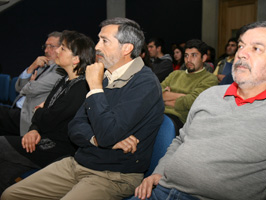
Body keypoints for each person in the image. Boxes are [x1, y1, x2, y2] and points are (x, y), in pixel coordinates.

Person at [130, 21, 266, 200]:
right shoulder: (211, 95)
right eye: (241, 45)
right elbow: (180, 140)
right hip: (162, 190)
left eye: (256, 48)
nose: (241, 53)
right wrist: (159, 171)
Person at [1, 17, 164, 200]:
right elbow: (75, 126)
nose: (97, 46)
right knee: (10, 195)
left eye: (105, 41)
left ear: (126, 48)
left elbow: (108, 133)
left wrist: (95, 89)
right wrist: (95, 138)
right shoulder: (104, 76)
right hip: (78, 163)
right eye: (98, 39)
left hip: (113, 175)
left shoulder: (144, 83)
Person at [0, 30, 94, 194]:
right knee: (5, 171)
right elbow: (43, 114)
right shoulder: (65, 80)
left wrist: (40, 113)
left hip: (58, 149)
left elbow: (50, 117)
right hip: (42, 137)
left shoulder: (80, 87)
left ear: (76, 59)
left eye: (62, 48)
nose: (56, 51)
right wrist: (34, 128)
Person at [0, 32, 63, 136]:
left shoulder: (60, 71)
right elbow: (18, 87)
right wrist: (32, 67)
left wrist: (31, 84)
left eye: (51, 47)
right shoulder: (43, 65)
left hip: (27, 118)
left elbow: (28, 89)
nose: (46, 50)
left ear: (62, 49)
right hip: (17, 110)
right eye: (45, 46)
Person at [161, 39, 218, 134]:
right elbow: (156, 92)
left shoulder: (210, 79)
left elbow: (192, 102)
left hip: (182, 121)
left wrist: (166, 98)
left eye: (194, 55)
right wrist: (183, 96)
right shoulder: (175, 74)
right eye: (186, 56)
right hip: (158, 114)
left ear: (204, 58)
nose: (189, 60)